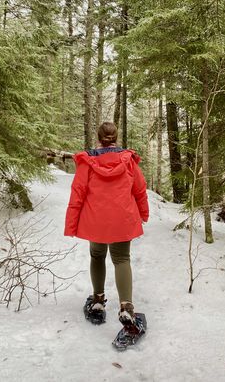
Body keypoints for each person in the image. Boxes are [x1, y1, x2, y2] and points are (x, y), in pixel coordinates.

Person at [64, 122, 149, 330]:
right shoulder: (128, 160)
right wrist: (144, 213)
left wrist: (72, 223)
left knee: (97, 256)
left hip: (96, 221)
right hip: (122, 219)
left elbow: (78, 193)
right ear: (116, 137)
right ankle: (126, 307)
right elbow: (140, 190)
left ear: (99, 137)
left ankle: (98, 301)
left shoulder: (88, 161)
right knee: (121, 259)